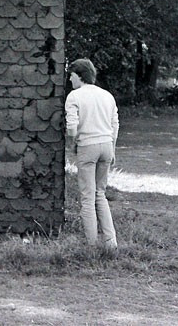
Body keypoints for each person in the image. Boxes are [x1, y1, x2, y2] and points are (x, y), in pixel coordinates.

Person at [65, 58, 119, 252]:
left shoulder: (74, 96)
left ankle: (91, 245)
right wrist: (112, 148)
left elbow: (71, 128)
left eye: (71, 76)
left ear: (79, 75)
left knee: (87, 197)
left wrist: (73, 145)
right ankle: (111, 243)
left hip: (87, 146)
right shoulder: (107, 96)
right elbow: (115, 124)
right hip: (106, 145)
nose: (70, 80)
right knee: (100, 194)